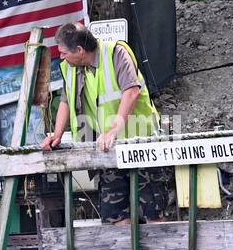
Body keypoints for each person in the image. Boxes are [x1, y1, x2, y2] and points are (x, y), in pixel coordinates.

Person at [41, 21, 170, 224]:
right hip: (108, 151)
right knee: (115, 217)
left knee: (153, 214)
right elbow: (66, 101)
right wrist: (56, 134)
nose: (61, 56)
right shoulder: (69, 68)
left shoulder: (116, 53)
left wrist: (112, 130)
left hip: (142, 145)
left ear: (80, 50)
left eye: (64, 52)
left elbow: (132, 91)